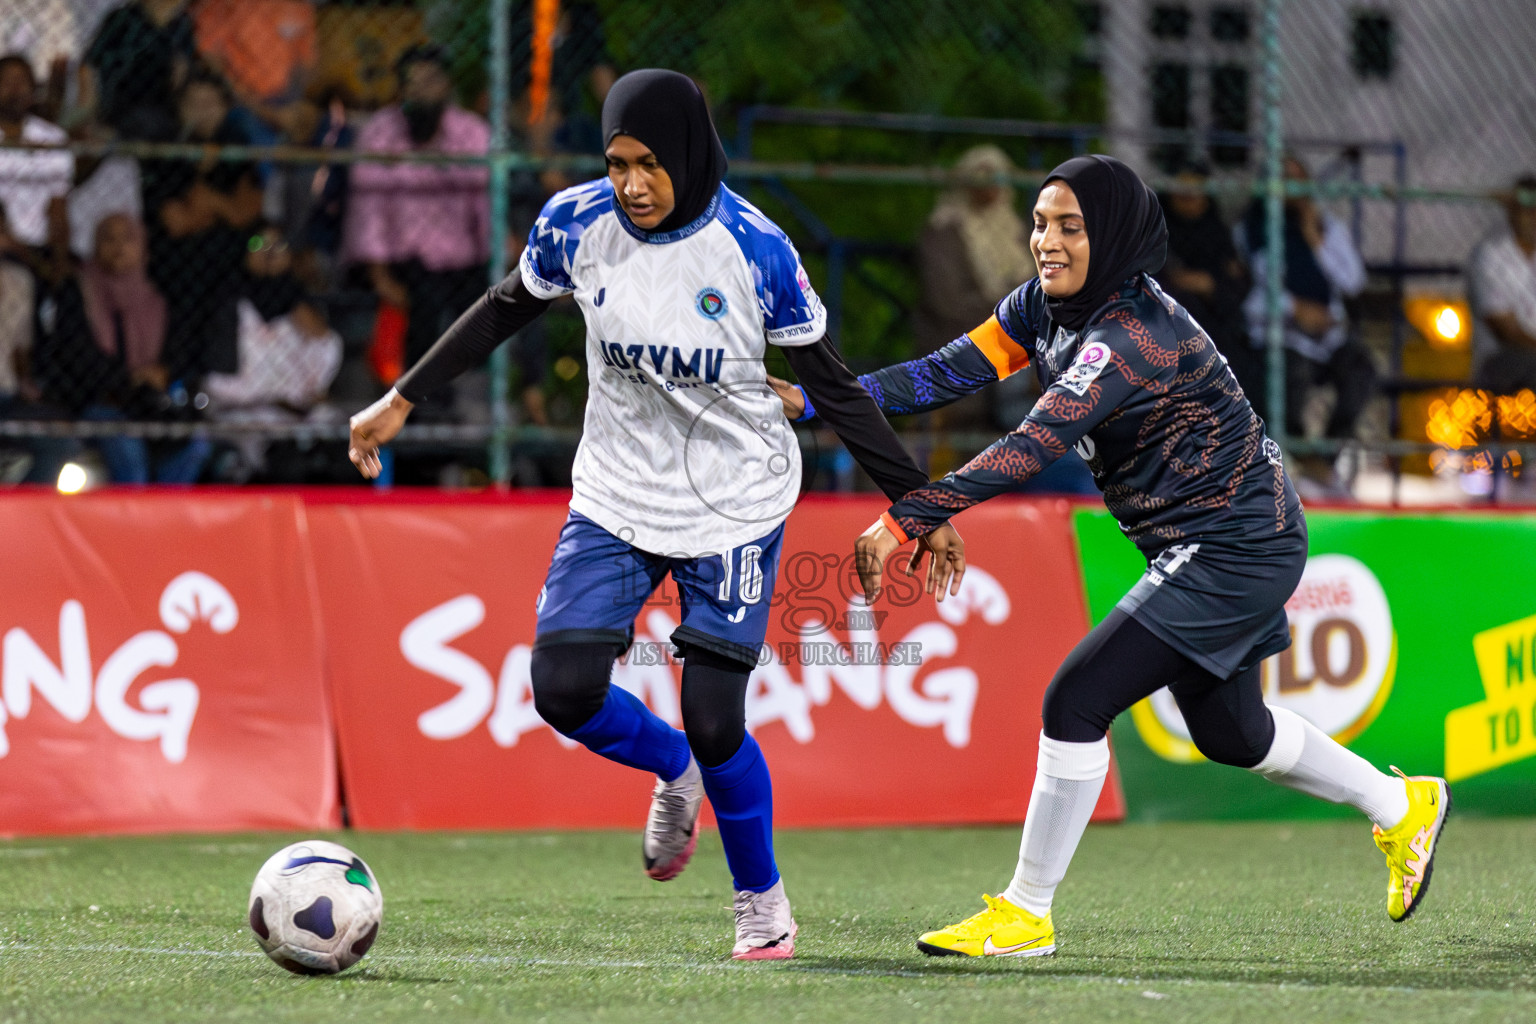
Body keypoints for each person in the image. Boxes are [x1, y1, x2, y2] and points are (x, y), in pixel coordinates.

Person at [346, 69, 963, 960]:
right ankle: (671, 768)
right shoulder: (575, 222)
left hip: (733, 501)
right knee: (561, 690)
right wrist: (403, 397)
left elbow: (833, 385)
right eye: (617, 162)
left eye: (648, 164)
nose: (631, 183)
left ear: (689, 154)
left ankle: (762, 904)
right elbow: (505, 309)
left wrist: (919, 502)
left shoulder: (758, 250)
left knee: (716, 717)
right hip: (617, 494)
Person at [795, 154, 1448, 959]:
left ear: (1111, 236)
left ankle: (1025, 911)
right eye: (1039, 223)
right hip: (1212, 541)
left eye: (1070, 226)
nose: (1046, 241)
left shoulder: (1132, 334)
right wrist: (820, 399)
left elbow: (1037, 442)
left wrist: (910, 516)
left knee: (1074, 700)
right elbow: (943, 374)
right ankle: (1401, 806)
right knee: (1232, 733)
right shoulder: (1042, 308)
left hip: (1235, 545)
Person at [343, 44, 490, 413]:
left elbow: (486, 207)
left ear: (447, 86)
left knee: (501, 298)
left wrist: (501, 257)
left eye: (431, 81)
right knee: (425, 296)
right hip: (397, 262)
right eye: (413, 83)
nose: (422, 90)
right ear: (401, 89)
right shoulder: (379, 133)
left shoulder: (470, 132)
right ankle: (424, 403)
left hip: (461, 259)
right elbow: (368, 210)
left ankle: (463, 402)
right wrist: (380, 278)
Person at [35, 212, 210, 483]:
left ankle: (167, 516)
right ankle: (134, 520)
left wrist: (162, 373)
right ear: (95, 247)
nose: (118, 247)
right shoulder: (78, 292)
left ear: (143, 249)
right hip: (98, 402)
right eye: (109, 239)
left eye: (128, 239)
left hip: (152, 403)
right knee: (125, 447)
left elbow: (180, 353)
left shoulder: (159, 299)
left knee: (196, 442)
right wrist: (128, 378)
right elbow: (76, 356)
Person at [1237, 155, 1370, 492]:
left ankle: (1323, 463)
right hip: (1280, 334)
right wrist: (1294, 308)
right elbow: (1253, 288)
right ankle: (1297, 461)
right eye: (1285, 180)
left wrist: (1317, 239)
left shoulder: (1327, 226)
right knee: (1289, 375)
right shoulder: (1251, 229)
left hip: (1327, 335)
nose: (1293, 190)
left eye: (1299, 180)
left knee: (1361, 370)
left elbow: (1353, 281)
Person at [202, 222, 342, 480]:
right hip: (241, 417)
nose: (269, 253)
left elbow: (323, 369)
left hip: (295, 419)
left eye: (278, 245)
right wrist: (274, 397)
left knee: (336, 434)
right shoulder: (227, 306)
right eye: (258, 244)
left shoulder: (303, 310)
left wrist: (317, 334)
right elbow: (216, 384)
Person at [913, 144, 1035, 435]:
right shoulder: (943, 230)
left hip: (1015, 347)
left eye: (996, 177)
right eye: (980, 177)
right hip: (959, 341)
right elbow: (947, 301)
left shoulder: (1014, 231)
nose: (989, 187)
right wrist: (1009, 312)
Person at [1157, 157, 1256, 397]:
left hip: (1220, 328)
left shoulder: (1216, 232)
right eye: (1183, 191)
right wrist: (1187, 282)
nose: (1190, 198)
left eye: (1196, 191)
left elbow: (1238, 284)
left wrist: (1209, 284)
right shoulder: (1158, 230)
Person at [82, 0, 196, 141]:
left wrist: (182, 72)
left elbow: (182, 78)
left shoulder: (182, 28)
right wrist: (88, 106)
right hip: (107, 96)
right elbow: (90, 62)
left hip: (147, 110)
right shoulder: (126, 17)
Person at [0, 54, 73, 266]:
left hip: (40, 247)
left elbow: (58, 207)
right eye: (5, 82)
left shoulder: (53, 138)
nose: (14, 89)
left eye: (21, 82)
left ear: (33, 90)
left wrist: (58, 261)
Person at [1467, 174, 1536, 396]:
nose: (1534, 216)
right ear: (1512, 212)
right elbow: (1506, 332)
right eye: (1527, 209)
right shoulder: (1490, 255)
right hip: (1501, 359)